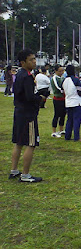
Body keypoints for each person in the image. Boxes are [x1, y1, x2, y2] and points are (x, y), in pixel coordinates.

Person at [10, 50, 45, 183]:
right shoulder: (27, 77)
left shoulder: (19, 75)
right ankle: (25, 175)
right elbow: (30, 97)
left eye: (34, 59)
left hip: (19, 112)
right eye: (31, 60)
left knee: (18, 142)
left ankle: (14, 170)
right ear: (23, 62)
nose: (34, 62)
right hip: (28, 114)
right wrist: (40, 98)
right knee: (31, 144)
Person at [63, 65, 81, 141]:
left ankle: (67, 136)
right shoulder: (75, 80)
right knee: (76, 120)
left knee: (69, 120)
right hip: (76, 102)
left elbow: (62, 91)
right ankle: (76, 137)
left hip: (68, 102)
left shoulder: (64, 80)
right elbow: (80, 91)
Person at [50, 64, 66, 137]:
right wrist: (63, 90)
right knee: (57, 115)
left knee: (63, 115)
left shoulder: (62, 78)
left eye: (62, 71)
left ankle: (61, 130)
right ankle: (54, 131)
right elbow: (58, 87)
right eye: (60, 71)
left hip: (63, 99)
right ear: (56, 71)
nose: (61, 72)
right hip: (57, 99)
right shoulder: (54, 78)